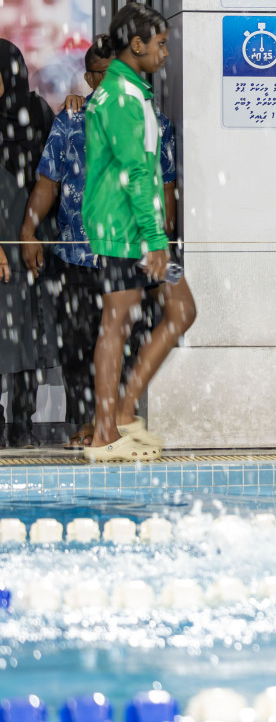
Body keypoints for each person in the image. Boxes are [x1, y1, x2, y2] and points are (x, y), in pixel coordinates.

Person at [20, 39, 178, 448]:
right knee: (76, 346)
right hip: (77, 256)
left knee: (128, 338)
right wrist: (28, 231)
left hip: (131, 255)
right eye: (103, 76)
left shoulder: (153, 120)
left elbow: (167, 190)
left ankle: (116, 422)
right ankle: (88, 424)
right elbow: (46, 183)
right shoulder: (71, 122)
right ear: (89, 79)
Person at [80, 4, 197, 461]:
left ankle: (125, 413)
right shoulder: (122, 97)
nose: (165, 53)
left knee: (181, 309)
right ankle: (104, 433)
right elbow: (135, 171)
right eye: (160, 44)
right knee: (117, 324)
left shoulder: (128, 90)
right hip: (125, 231)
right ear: (137, 45)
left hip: (136, 228)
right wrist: (154, 240)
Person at [0, 38, 56, 446]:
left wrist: (33, 232)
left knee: (28, 331)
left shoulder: (37, 112)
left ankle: (22, 419)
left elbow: (52, 175)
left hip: (31, 239)